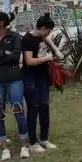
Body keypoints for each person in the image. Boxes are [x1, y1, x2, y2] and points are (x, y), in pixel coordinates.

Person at [0, 11, 30, 160]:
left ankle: (24, 145)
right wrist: (4, 52)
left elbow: (16, 56)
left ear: (2, 23)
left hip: (14, 79)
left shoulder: (15, 36)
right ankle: (4, 147)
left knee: (18, 109)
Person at [22, 12, 63, 153]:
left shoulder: (42, 38)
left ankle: (44, 139)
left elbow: (49, 42)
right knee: (33, 108)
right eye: (48, 31)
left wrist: (56, 51)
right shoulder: (27, 39)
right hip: (30, 78)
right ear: (43, 28)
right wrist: (46, 58)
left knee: (45, 107)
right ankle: (33, 142)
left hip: (42, 78)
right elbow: (29, 61)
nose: (49, 34)